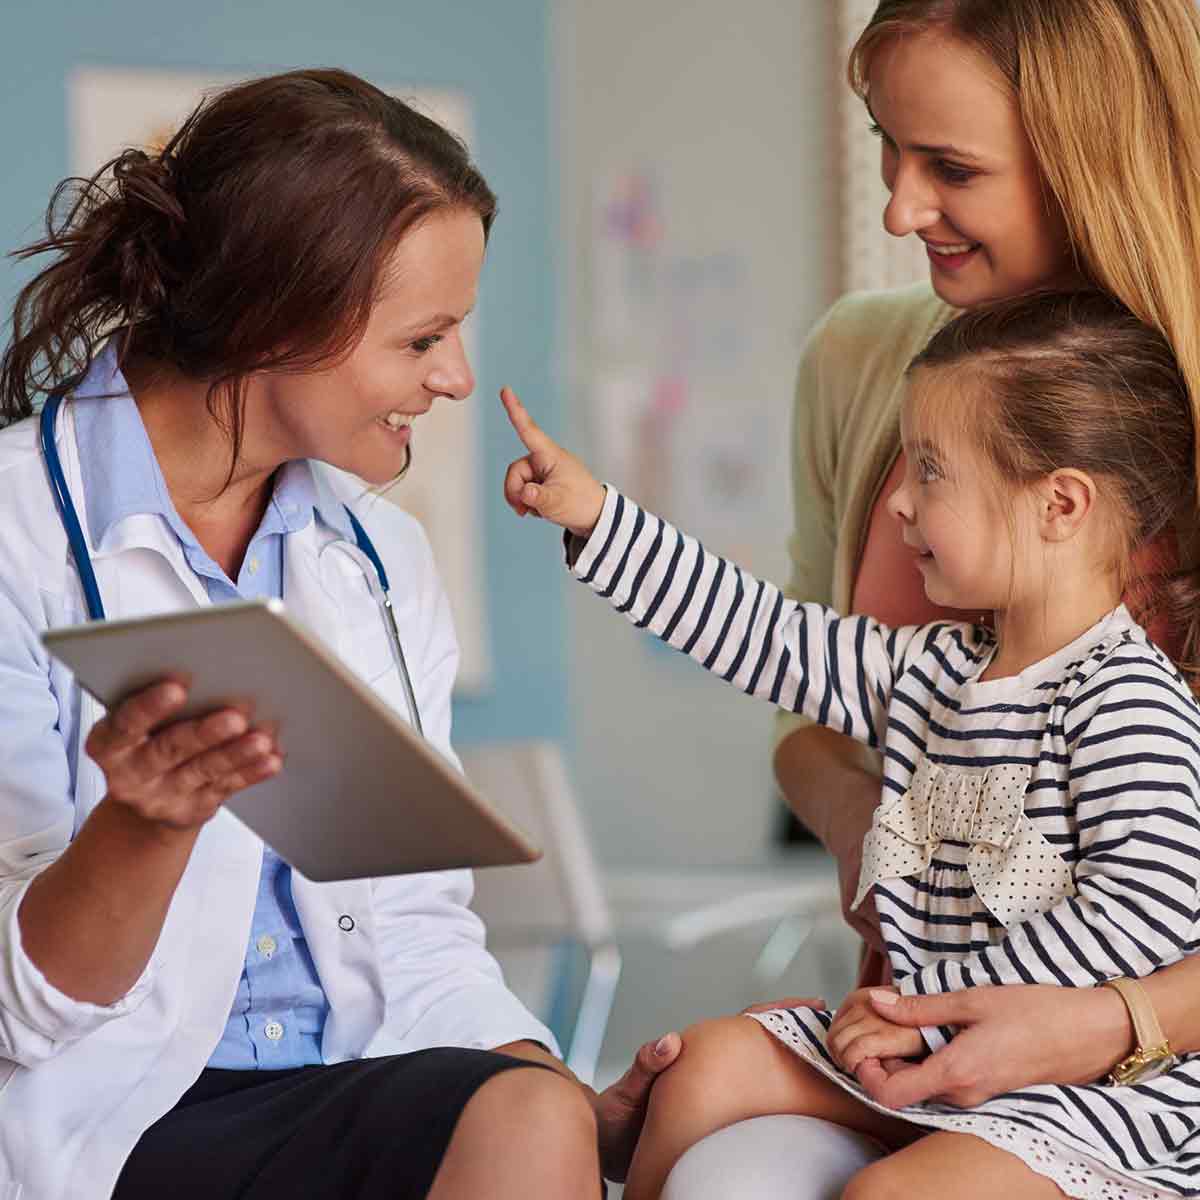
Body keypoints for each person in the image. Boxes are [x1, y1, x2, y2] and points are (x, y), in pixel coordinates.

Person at [0, 68, 680, 1200]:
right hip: (105, 1119)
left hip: (338, 1085)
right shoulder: (19, 535)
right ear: (282, 320)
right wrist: (142, 826)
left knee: (531, 1115)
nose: (457, 379)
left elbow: (412, 930)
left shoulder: (375, 556)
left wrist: (547, 1087)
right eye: (424, 339)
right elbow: (18, 1017)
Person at [500, 288, 1200, 1199]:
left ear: (1060, 504)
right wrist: (598, 518)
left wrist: (932, 1012)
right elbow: (761, 634)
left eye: (931, 471)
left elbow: (1144, 920)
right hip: (925, 1052)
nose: (900, 504)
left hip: (1086, 1096)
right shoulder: (929, 668)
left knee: (887, 1196)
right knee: (701, 1069)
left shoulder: (1125, 701)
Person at [763, 0, 1200, 1140]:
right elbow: (803, 717)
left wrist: (1109, 1021)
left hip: (1147, 1085)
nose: (901, 208)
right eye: (884, 150)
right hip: (915, 1045)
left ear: (1091, 161)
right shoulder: (860, 359)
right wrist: (877, 819)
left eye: (951, 167)